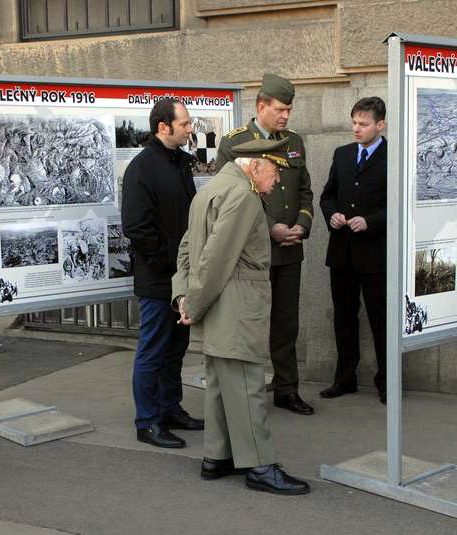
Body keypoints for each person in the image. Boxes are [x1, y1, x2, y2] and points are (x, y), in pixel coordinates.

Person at [173, 137, 310, 495]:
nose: (278, 180)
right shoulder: (244, 197)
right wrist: (194, 304)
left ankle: (216, 458)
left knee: (219, 383)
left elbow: (187, 247)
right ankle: (259, 466)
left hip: (215, 304)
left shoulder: (212, 188)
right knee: (248, 386)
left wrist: (184, 295)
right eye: (276, 171)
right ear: (255, 165)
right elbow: (216, 259)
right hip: (235, 305)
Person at [215, 73, 315, 416]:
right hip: (253, 254)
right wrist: (270, 228)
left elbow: (304, 190)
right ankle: (251, 391)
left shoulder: (295, 141)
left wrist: (301, 225)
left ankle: (287, 389)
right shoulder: (234, 143)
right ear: (261, 106)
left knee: (286, 324)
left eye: (289, 109)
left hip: (290, 251)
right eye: (280, 109)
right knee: (252, 324)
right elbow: (230, 197)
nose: (286, 116)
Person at [121, 98, 203, 449]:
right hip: (159, 279)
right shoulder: (142, 168)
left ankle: (171, 409)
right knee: (152, 350)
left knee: (176, 348)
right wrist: (169, 267)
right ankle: (148, 420)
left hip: (179, 277)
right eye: (184, 124)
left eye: (189, 123)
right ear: (163, 127)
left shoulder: (181, 163)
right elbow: (137, 227)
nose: (190, 129)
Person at [319, 97, 388, 405]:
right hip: (343, 252)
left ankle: (387, 382)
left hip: (375, 254)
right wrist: (331, 214)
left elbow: (399, 205)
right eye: (354, 123)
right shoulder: (343, 154)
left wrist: (370, 222)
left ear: (380, 125)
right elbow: (327, 195)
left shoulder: (393, 156)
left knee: (380, 320)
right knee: (344, 318)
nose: (356, 129)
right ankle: (344, 379)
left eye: (364, 124)